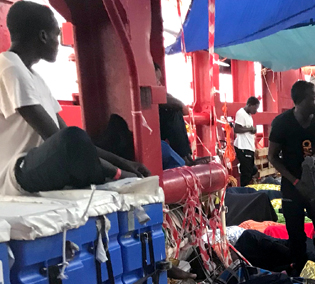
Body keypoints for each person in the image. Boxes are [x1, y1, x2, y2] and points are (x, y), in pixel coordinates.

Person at [0, 1, 149, 196]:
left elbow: (64, 132)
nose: (59, 42)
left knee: (115, 131)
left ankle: (112, 173)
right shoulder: (9, 67)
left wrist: (126, 161)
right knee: (74, 140)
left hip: (44, 166)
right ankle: (116, 177)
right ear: (43, 36)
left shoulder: (35, 78)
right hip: (18, 173)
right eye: (57, 34)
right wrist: (122, 172)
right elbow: (57, 138)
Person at [268, 81, 315, 270]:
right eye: (314, 98)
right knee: (295, 233)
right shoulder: (282, 123)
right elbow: (272, 157)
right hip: (293, 185)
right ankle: (299, 270)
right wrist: (295, 181)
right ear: (300, 101)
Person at [154, 62, 194, 166]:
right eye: (156, 79)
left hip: (159, 136)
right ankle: (184, 156)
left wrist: (163, 94)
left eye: (159, 79)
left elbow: (185, 110)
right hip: (149, 137)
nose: (159, 83)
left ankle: (185, 156)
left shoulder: (163, 96)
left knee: (174, 110)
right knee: (173, 113)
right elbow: (182, 108)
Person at [233, 96, 260, 186]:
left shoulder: (249, 116)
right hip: (243, 147)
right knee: (247, 173)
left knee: (252, 170)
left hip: (249, 147)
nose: (256, 111)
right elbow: (236, 129)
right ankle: (244, 192)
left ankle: (246, 189)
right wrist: (249, 129)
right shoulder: (241, 113)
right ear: (249, 105)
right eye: (255, 108)